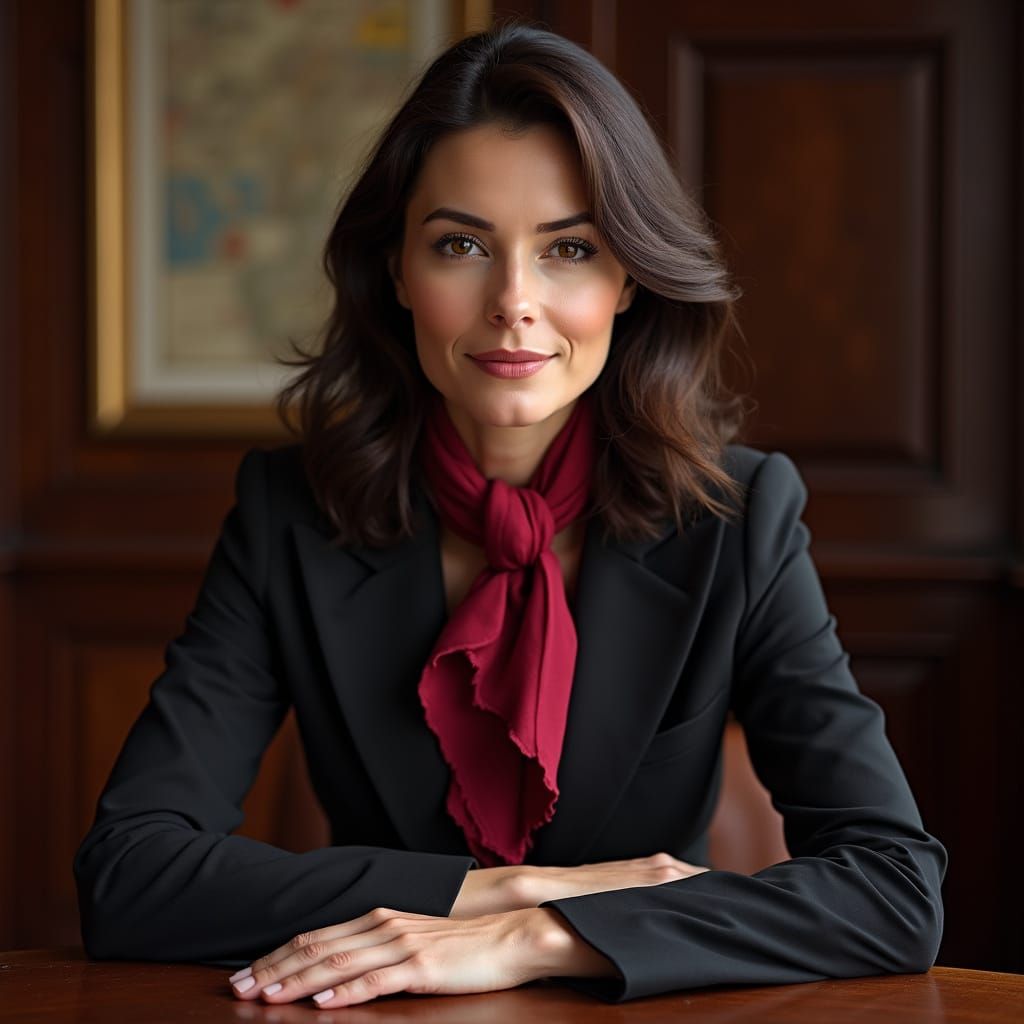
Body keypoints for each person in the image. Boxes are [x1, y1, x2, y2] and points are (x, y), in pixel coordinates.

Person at [73, 20, 946, 1009]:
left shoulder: (738, 517)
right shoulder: (289, 514)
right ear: (397, 271)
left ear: (627, 280)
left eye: (569, 247)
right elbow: (129, 873)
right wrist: (498, 891)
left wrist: (540, 935)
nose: (514, 301)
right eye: (460, 245)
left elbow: (892, 890)